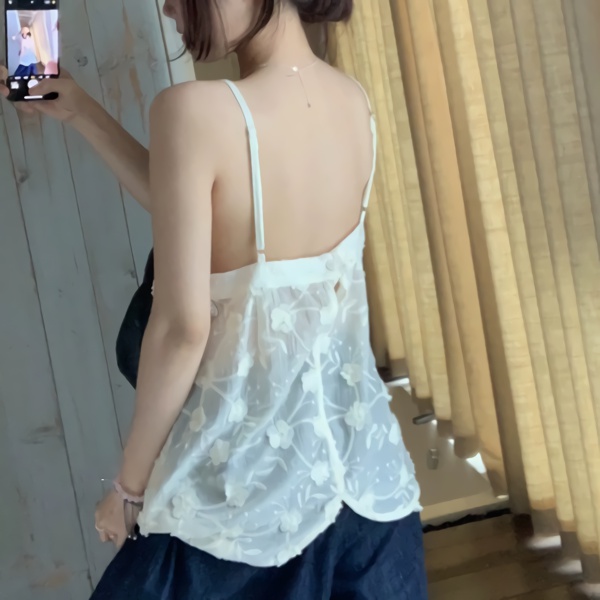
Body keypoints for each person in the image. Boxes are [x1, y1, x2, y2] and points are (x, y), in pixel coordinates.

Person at [0, 0, 427, 597]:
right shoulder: (352, 100)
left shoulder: (194, 112)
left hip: (243, 506)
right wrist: (82, 112)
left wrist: (128, 489)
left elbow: (182, 329)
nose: (169, 8)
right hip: (371, 497)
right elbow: (209, 216)